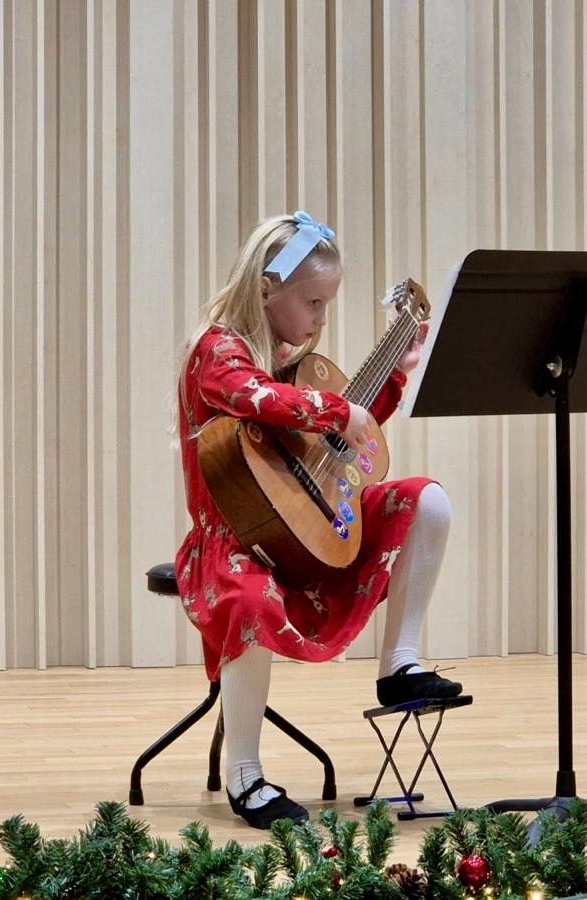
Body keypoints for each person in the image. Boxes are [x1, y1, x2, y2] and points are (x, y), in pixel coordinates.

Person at [174, 211, 460, 828]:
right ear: (266, 288)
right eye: (313, 303)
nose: (321, 319)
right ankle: (245, 774)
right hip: (233, 543)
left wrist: (396, 371)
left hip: (305, 530)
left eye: (327, 304)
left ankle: (400, 664)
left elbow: (343, 443)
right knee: (249, 597)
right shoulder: (216, 351)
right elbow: (257, 397)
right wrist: (337, 411)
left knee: (426, 501)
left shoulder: (290, 361)